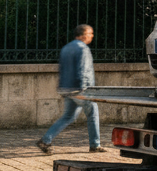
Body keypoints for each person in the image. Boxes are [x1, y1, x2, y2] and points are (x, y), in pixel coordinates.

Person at [37, 25, 107, 154]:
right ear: (83, 35)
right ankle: (95, 145)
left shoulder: (66, 48)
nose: (92, 36)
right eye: (90, 33)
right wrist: (84, 90)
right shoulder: (83, 49)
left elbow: (62, 69)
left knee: (68, 116)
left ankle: (45, 140)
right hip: (79, 89)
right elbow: (83, 70)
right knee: (93, 114)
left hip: (66, 88)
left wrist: (62, 87)